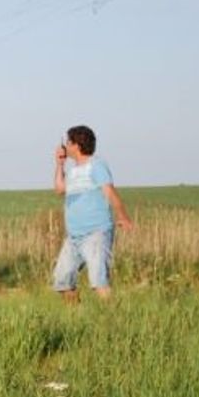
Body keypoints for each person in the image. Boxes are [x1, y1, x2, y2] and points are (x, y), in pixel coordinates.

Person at [53, 125, 133, 302]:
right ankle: (75, 318)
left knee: (99, 280)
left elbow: (110, 192)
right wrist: (59, 164)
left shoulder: (97, 166)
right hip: (74, 236)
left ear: (77, 145)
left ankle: (112, 319)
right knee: (63, 281)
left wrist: (122, 216)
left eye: (68, 142)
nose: (65, 146)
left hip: (96, 233)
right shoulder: (72, 171)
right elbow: (59, 189)